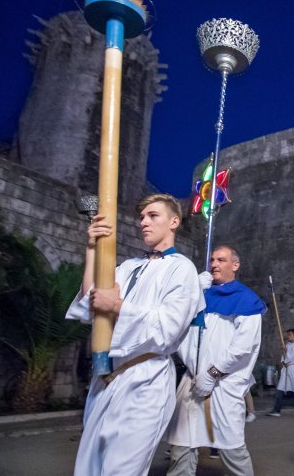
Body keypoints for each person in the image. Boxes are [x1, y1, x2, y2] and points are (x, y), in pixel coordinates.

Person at [65, 194, 202, 476]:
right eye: (141, 217)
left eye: (153, 216)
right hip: (106, 379)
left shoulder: (182, 270)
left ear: (174, 222)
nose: (143, 223)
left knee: (121, 470)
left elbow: (167, 328)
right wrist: (92, 249)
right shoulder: (128, 267)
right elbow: (90, 302)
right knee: (89, 468)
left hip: (146, 379)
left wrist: (115, 305)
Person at [165, 245, 266, 476]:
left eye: (221, 260)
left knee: (232, 451)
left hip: (223, 387)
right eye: (212, 260)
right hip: (191, 383)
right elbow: (178, 332)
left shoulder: (247, 300)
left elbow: (242, 347)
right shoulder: (200, 296)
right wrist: (191, 296)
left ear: (235, 265)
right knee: (181, 449)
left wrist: (212, 374)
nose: (214, 264)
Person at [267, 328, 294, 416]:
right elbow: (284, 357)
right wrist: (283, 361)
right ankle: (276, 410)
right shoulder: (287, 345)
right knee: (280, 389)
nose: (288, 336)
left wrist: (285, 351)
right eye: (288, 334)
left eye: (290, 334)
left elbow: (291, 357)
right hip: (286, 370)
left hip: (293, 369)